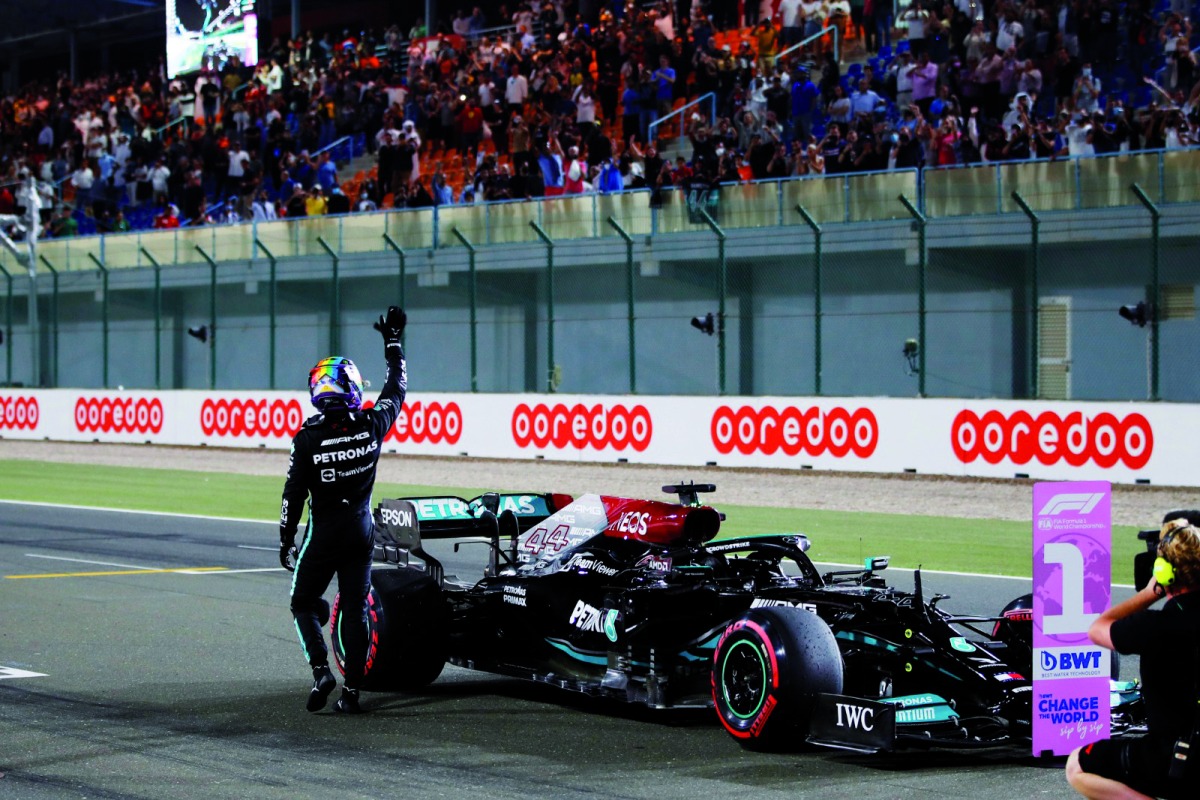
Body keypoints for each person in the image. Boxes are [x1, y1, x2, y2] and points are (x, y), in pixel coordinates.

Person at [280, 306, 408, 714]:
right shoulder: (372, 425)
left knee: (304, 602)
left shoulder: (307, 439)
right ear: (351, 388)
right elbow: (396, 388)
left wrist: (286, 538)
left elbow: (292, 495)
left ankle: (321, 671)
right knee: (354, 611)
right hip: (361, 533)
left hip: (323, 537)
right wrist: (392, 343)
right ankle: (352, 694)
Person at [1066, 516, 1200, 799]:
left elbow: (1097, 629)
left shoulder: (1154, 626)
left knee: (1078, 764)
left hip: (1176, 757)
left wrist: (1151, 592)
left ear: (1164, 572)